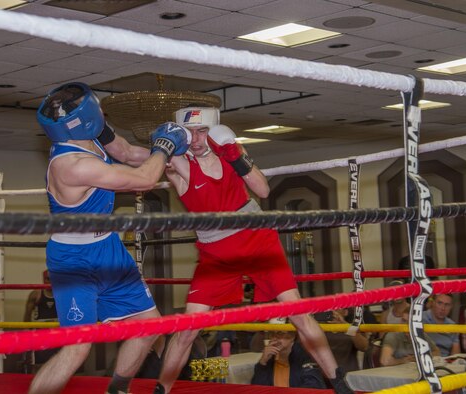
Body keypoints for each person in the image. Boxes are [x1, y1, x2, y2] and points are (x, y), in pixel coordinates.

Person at [155, 106, 352, 394]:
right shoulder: (179, 164)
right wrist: (158, 144)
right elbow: (140, 161)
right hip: (216, 253)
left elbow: (263, 191)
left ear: (214, 132)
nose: (196, 139)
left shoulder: (229, 150)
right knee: (188, 327)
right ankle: (161, 390)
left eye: (202, 131)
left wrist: (236, 156)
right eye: (190, 133)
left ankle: (338, 381)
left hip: (256, 239)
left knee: (297, 312)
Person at [30, 81, 192, 394]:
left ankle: (117, 389)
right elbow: (143, 179)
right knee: (78, 347)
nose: (102, 112)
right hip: (74, 259)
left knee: (148, 326)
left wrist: (169, 158)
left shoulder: (90, 134)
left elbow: (130, 153)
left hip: (107, 248)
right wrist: (164, 147)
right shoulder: (71, 165)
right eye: (98, 109)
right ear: (88, 117)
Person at [251, 323, 326, 389]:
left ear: (293, 336)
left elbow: (314, 387)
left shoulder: (306, 355)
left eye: (280, 333)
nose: (274, 338)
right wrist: (262, 363)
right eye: (271, 333)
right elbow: (257, 389)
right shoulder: (269, 357)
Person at [23, 270, 59, 373]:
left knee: (58, 363)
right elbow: (27, 316)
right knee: (40, 364)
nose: (51, 281)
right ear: (44, 280)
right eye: (48, 279)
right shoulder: (36, 294)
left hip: (58, 334)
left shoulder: (62, 294)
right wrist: (26, 335)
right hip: (41, 334)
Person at [324, 308, 370, 372]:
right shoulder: (319, 327)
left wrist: (345, 326)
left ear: (345, 312)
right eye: (330, 309)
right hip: (325, 373)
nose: (333, 312)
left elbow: (364, 347)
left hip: (348, 372)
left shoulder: (353, 328)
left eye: (336, 309)